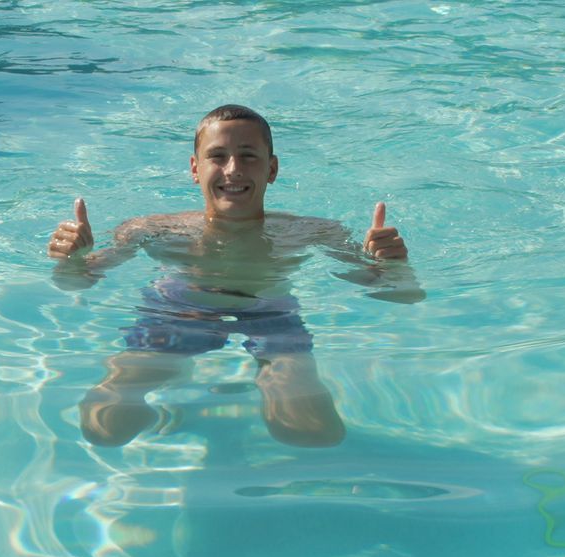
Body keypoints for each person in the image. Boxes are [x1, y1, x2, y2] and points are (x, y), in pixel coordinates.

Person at [47, 104, 424, 448]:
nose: (233, 170)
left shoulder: (313, 232)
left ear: (271, 168)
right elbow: (76, 282)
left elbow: (401, 295)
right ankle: (171, 398)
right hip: (178, 309)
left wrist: (393, 266)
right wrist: (72, 260)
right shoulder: (151, 229)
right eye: (217, 156)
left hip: (270, 312)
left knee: (313, 432)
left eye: (248, 156)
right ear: (195, 169)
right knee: (104, 424)